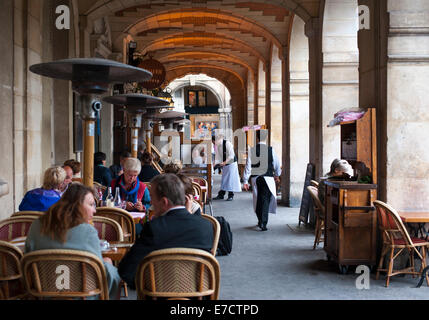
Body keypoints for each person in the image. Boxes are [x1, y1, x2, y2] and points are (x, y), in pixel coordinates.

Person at [25, 183, 121, 299]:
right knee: (112, 271)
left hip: (44, 293)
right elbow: (97, 269)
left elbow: (27, 260)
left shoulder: (36, 225)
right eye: (91, 205)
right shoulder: (88, 232)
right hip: (82, 295)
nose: (94, 210)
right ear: (77, 205)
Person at [118, 174, 214, 288]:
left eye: (152, 198)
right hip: (198, 294)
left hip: (159, 294)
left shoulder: (154, 228)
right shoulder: (206, 226)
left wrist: (146, 285)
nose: (151, 203)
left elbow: (126, 270)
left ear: (164, 202)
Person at [243, 130, 281, 231]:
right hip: (268, 178)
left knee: (259, 199)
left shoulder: (252, 150)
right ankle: (263, 222)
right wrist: (277, 175)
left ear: (257, 138)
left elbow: (248, 166)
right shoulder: (270, 150)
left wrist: (245, 181)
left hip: (256, 178)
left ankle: (260, 220)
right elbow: (277, 163)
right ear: (266, 138)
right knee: (265, 199)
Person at [212, 133, 241, 201]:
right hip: (224, 164)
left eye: (214, 142)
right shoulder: (218, 146)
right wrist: (213, 165)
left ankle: (231, 195)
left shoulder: (227, 143)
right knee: (224, 179)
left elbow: (231, 156)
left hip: (231, 164)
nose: (214, 144)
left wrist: (224, 162)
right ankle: (221, 194)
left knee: (230, 180)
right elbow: (218, 157)